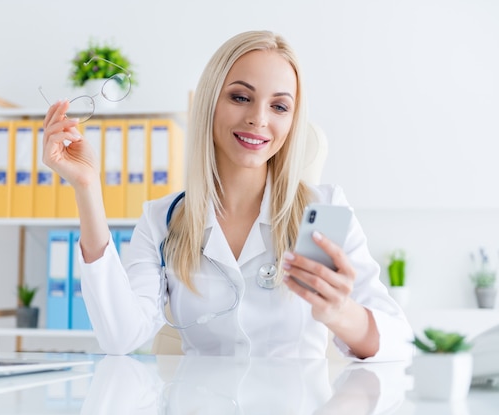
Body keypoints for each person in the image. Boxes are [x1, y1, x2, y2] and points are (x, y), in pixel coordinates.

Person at [42, 30, 414, 360]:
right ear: (210, 103)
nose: (259, 119)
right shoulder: (162, 219)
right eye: (240, 97)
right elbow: (120, 337)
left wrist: (338, 312)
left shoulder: (323, 211)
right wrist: (86, 189)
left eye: (279, 106)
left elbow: (398, 341)